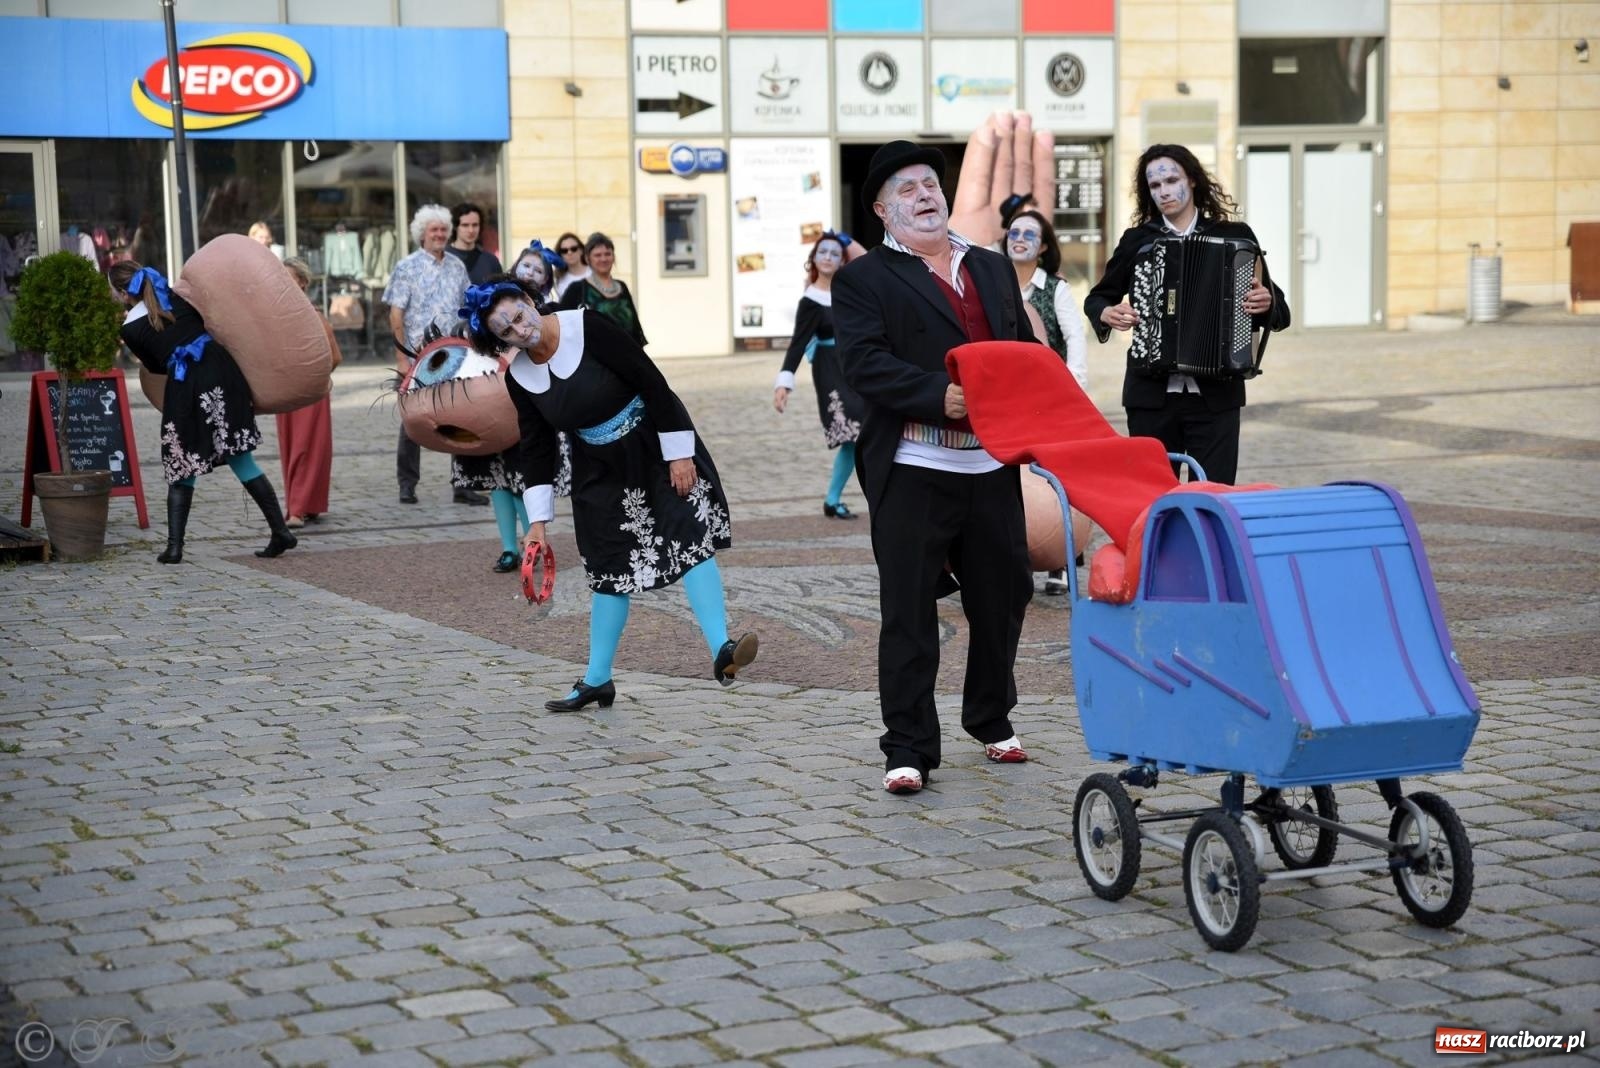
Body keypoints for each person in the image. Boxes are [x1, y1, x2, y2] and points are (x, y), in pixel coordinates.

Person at [833, 140, 1039, 796]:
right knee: (910, 611)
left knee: (1004, 597)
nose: (924, 195)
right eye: (906, 190)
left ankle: (990, 715)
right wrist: (936, 394)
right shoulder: (863, 281)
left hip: (990, 467)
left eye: (929, 183)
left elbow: (1023, 352)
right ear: (882, 211)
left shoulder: (991, 267)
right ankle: (910, 746)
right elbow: (863, 364)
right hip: (916, 464)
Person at [462, 276, 758, 711]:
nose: (519, 329)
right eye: (505, 330)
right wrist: (537, 524)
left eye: (519, 315)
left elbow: (652, 383)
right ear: (498, 340)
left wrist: (679, 453)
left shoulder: (588, 327)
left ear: (529, 301)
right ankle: (597, 679)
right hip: (596, 470)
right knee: (607, 567)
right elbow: (536, 450)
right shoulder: (520, 378)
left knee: (690, 538)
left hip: (652, 448)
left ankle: (722, 650)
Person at [1084, 144, 1290, 486]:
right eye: (1155, 185)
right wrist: (1107, 312)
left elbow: (1280, 311)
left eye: (1171, 180)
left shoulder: (1235, 238)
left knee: (1213, 494)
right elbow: (1098, 297)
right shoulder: (1138, 241)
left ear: (1192, 180)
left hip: (1216, 397)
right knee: (1152, 494)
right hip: (1151, 396)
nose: (1164, 191)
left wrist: (1266, 303)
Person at [109, 261, 297, 562]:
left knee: (181, 457)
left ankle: (174, 547)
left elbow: (156, 365)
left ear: (121, 293)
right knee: (238, 454)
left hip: (187, 382)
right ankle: (280, 531)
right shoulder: (177, 296)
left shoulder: (130, 328)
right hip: (221, 369)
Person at [1005, 207, 1090, 596]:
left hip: (1050, 398)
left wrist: (1072, 390)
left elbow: (1075, 338)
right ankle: (1013, 553)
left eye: (1029, 235)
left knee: (1058, 476)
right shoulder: (994, 282)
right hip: (1008, 399)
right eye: (1014, 231)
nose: (1019, 238)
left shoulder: (1054, 289)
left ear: (1041, 248)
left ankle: (1063, 560)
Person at [385, 203, 487, 506]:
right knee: (412, 422)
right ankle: (407, 483)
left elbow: (468, 308)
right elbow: (395, 316)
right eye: (434, 230)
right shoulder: (407, 267)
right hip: (418, 357)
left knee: (459, 415)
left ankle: (463, 484)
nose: (440, 234)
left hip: (454, 354)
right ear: (422, 234)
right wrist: (402, 359)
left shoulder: (457, 266)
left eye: (443, 229)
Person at [772, 231, 866, 520]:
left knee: (861, 436)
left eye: (834, 253)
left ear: (841, 262)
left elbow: (870, 260)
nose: (827, 257)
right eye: (822, 252)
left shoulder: (849, 292)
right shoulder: (810, 301)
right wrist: (784, 382)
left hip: (856, 368)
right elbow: (798, 342)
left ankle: (833, 499)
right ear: (813, 258)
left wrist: (847, 240)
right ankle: (842, 497)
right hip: (829, 372)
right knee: (852, 432)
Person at [277, 257, 341, 528]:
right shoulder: (277, 316)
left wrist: (313, 378)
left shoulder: (314, 317)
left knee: (306, 447)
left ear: (302, 283)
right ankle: (308, 503)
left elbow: (334, 357)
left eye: (288, 279)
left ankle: (297, 509)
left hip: (309, 393)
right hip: (285, 392)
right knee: (292, 449)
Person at [559, 233, 647, 348]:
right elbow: (562, 326)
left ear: (613, 256)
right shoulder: (576, 289)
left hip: (627, 360)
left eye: (607, 254)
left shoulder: (622, 286)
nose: (603, 259)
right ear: (587, 258)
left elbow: (635, 329)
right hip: (594, 362)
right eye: (597, 255)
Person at [446, 202, 502, 285]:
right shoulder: (442, 258)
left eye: (475, 225)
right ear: (455, 227)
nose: (471, 230)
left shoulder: (491, 261)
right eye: (465, 225)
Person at [551, 231, 589, 300]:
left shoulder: (595, 272)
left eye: (574, 249)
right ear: (560, 255)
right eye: (564, 250)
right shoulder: (558, 279)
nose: (569, 253)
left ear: (581, 250)